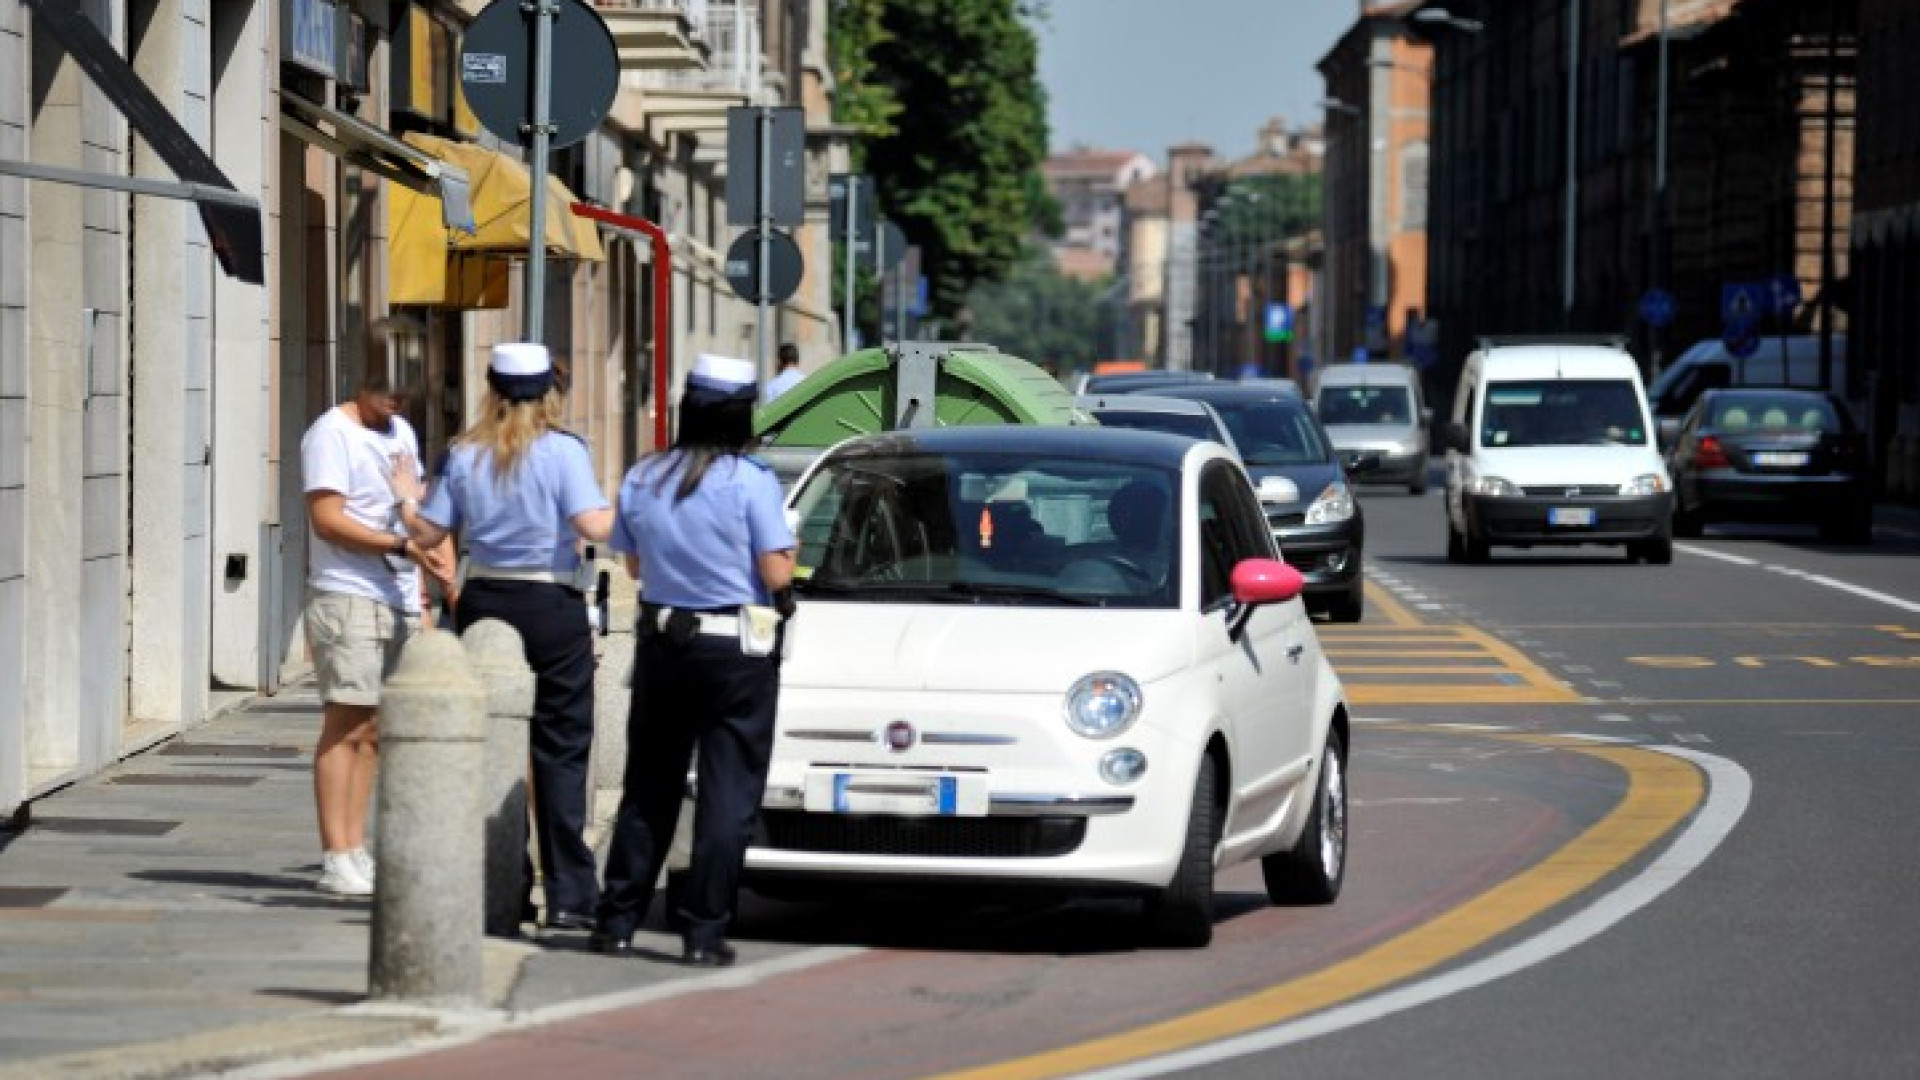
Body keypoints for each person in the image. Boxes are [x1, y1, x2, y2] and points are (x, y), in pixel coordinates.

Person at [390, 342, 615, 932]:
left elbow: (431, 529)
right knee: (561, 747)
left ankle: (501, 888)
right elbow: (592, 525)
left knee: (492, 742)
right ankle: (569, 893)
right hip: (552, 600)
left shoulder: (463, 453)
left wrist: (403, 497)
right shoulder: (566, 452)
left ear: (490, 388)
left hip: (486, 598)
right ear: (548, 394)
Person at [592, 353, 797, 967]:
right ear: (741, 416)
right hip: (734, 647)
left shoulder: (644, 477)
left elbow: (632, 563)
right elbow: (774, 568)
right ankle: (704, 933)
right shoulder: (751, 481)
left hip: (663, 642)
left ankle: (617, 921)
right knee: (726, 795)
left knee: (648, 788)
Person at [301, 365, 432, 897]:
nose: (398, 397)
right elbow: (326, 519)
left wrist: (420, 589)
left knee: (376, 727)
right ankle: (336, 852)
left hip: (396, 593)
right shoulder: (332, 432)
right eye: (388, 385)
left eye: (407, 387)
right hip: (347, 592)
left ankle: (357, 847)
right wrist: (396, 547)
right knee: (346, 721)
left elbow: (415, 510)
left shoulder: (401, 431)